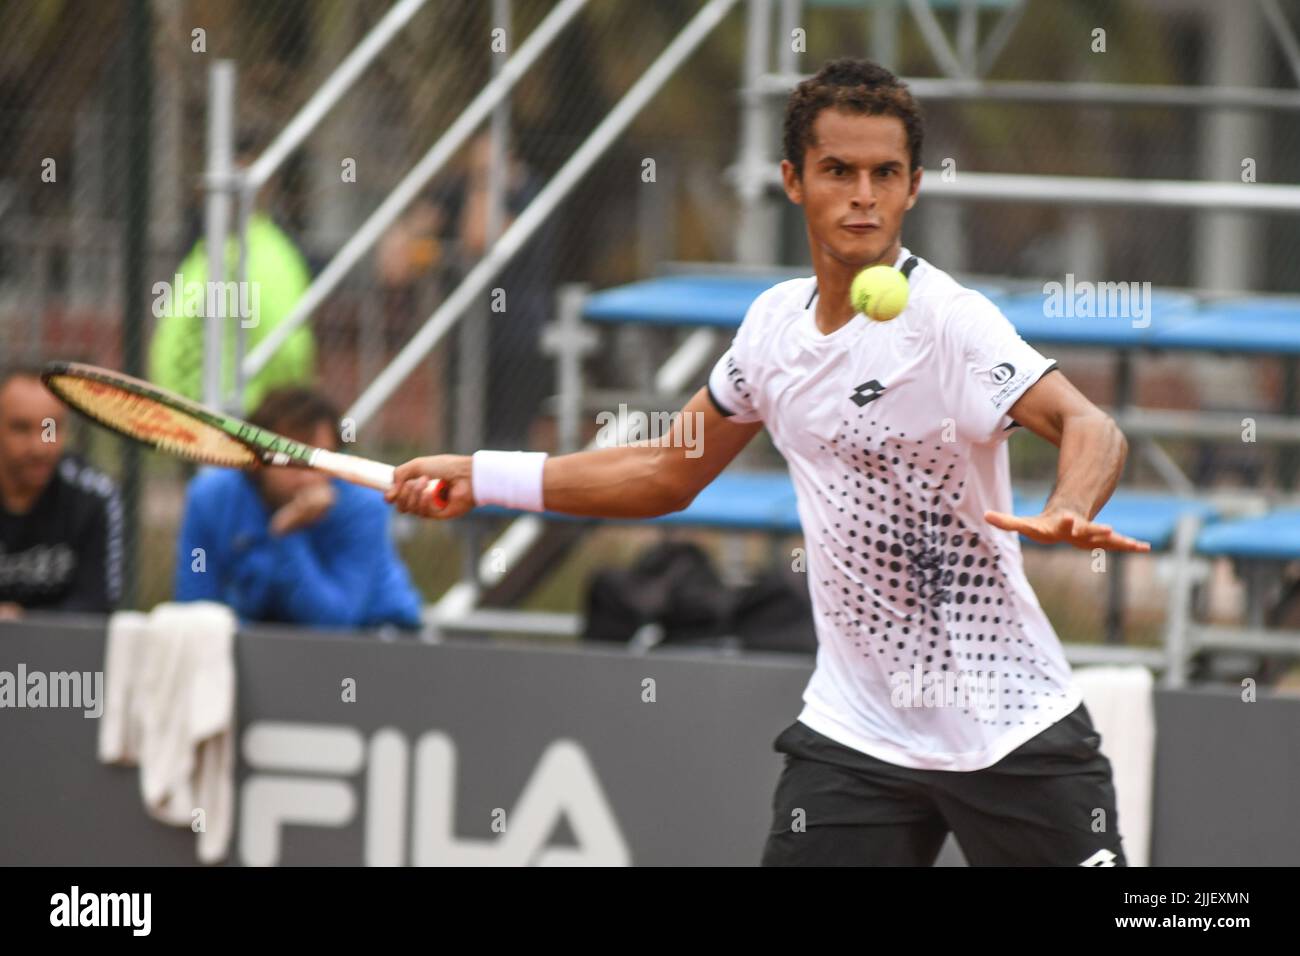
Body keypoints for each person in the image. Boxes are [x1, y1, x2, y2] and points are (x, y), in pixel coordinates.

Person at [385, 59, 1151, 866]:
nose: (864, 194)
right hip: (856, 736)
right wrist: (485, 475)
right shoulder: (770, 330)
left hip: (1009, 727)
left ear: (913, 187)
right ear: (793, 179)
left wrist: (1072, 503)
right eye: (838, 171)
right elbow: (665, 470)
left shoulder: (949, 324)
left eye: (885, 173)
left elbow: (1087, 423)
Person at [174, 387, 422, 631]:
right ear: (256, 458)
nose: (307, 477)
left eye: (320, 460)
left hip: (376, 643)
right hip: (261, 644)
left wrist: (287, 535)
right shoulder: (208, 498)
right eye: (291, 460)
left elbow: (335, 623)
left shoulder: (365, 506)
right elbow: (196, 610)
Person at [377, 129, 558, 449]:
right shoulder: (457, 189)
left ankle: (502, 498)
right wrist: (413, 236)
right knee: (458, 437)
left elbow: (479, 239)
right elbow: (394, 263)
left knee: (505, 443)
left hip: (515, 336)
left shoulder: (529, 192)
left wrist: (485, 182)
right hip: (464, 335)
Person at [148, 131, 315, 412]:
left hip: (246, 415)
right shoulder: (209, 250)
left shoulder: (267, 254)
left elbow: (287, 346)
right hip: (198, 410)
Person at [0, 366, 122, 617]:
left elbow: (97, 608)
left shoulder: (94, 497)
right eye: (21, 428)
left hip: (64, 653)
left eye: (50, 428)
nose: (39, 447)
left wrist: (21, 621)